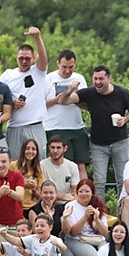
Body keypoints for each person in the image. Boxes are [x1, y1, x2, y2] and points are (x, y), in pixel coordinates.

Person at [56, 65, 129, 201]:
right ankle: (99, 210)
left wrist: (125, 119)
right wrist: (71, 89)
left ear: (109, 78)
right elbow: (62, 101)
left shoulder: (122, 92)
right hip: (98, 144)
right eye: (95, 79)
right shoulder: (89, 93)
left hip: (120, 142)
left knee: (122, 180)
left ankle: (122, 209)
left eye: (101, 79)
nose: (98, 82)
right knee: (99, 182)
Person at [0, 28, 49, 159]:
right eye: (21, 58)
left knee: (39, 161)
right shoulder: (7, 75)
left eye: (27, 58)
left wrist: (37, 37)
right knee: (15, 163)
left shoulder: (38, 72)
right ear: (16, 58)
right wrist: (11, 103)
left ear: (33, 58)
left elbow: (43, 57)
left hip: (35, 125)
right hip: (14, 126)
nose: (24, 61)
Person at [44, 50, 89, 180]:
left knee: (81, 165)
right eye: (64, 67)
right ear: (58, 63)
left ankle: (84, 190)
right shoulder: (48, 78)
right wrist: (58, 99)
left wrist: (73, 98)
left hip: (76, 126)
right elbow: (41, 104)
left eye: (71, 67)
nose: (67, 71)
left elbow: (85, 103)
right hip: (55, 127)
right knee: (64, 165)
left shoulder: (79, 78)